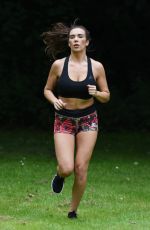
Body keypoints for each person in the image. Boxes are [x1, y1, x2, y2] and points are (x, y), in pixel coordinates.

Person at [41, 21, 110, 219]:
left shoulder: (96, 67)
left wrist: (96, 92)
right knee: (67, 167)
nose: (76, 40)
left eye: (80, 37)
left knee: (81, 168)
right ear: (69, 42)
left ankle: (72, 210)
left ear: (87, 42)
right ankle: (60, 175)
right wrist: (54, 100)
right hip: (64, 119)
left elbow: (106, 96)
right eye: (72, 37)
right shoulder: (58, 65)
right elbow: (47, 90)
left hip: (88, 119)